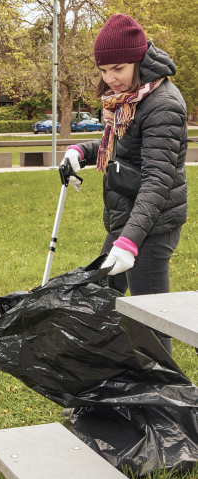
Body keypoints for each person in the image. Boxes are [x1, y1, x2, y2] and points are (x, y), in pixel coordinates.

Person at [61, 14, 188, 355]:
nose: (110, 78)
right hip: (128, 219)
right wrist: (80, 152)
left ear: (137, 59)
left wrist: (130, 243)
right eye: (103, 70)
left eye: (117, 68)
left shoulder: (163, 104)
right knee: (101, 296)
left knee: (154, 317)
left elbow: (157, 180)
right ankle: (106, 388)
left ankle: (167, 401)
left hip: (152, 223)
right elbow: (123, 149)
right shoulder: (131, 100)